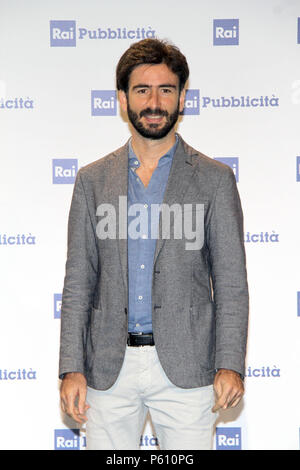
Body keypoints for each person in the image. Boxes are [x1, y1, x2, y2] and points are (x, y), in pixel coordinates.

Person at [59, 38, 249, 450]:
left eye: (166, 90)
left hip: (188, 365)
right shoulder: (92, 181)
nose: (154, 102)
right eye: (142, 90)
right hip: (108, 368)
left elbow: (231, 283)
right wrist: (71, 367)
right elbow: (78, 282)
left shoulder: (214, 180)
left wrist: (229, 364)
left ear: (182, 98)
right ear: (123, 99)